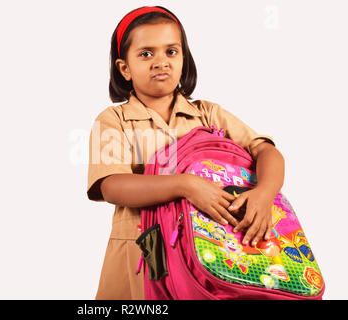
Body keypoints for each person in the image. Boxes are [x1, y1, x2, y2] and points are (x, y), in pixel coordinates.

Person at [86, 6, 285, 300]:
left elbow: (265, 150)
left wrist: (265, 192)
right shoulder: (114, 120)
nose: (160, 62)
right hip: (142, 253)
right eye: (146, 53)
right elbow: (111, 184)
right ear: (124, 68)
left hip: (209, 253)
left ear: (184, 59)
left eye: (171, 51)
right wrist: (186, 185)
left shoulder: (208, 114)